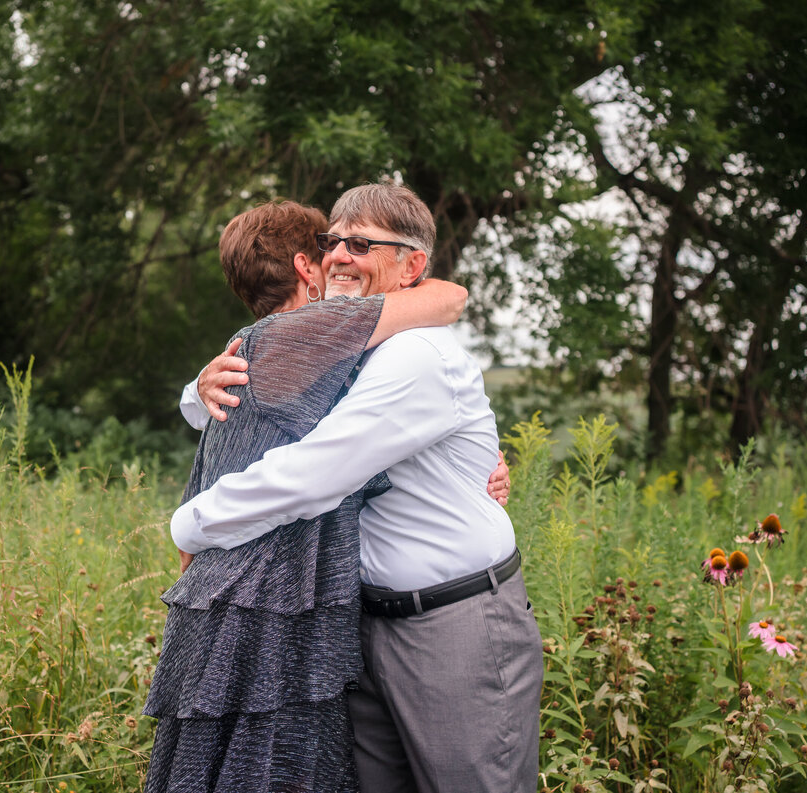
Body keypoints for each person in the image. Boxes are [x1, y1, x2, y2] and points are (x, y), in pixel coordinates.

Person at [173, 183, 544, 793]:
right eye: (333, 241)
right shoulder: (348, 347)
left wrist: (190, 524)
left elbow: (317, 471)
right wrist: (198, 388)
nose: (340, 255)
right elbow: (264, 389)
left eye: (363, 243)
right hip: (359, 627)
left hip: (452, 624)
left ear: (412, 267)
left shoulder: (417, 355)